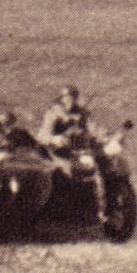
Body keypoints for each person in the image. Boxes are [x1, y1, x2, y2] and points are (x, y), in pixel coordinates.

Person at [36, 85, 106, 220]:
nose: (70, 100)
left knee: (97, 171)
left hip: (79, 152)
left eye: (73, 96)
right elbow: (42, 135)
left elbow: (94, 129)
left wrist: (104, 136)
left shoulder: (83, 113)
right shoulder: (53, 113)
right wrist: (54, 139)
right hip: (57, 154)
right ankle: (63, 212)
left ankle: (98, 209)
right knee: (65, 173)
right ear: (61, 98)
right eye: (67, 97)